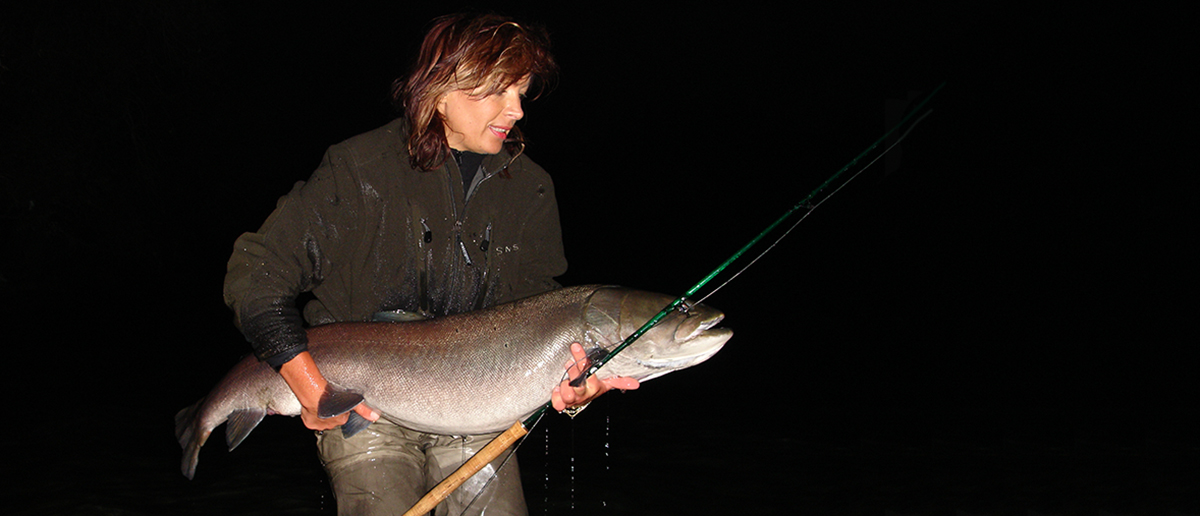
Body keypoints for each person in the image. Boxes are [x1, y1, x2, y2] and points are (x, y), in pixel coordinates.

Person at [222, 12, 637, 516]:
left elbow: (538, 319)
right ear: (438, 92)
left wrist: (576, 387)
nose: (518, 111)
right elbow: (257, 275)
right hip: (361, 409)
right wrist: (313, 389)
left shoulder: (532, 190)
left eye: (522, 94)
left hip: (479, 413)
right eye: (499, 92)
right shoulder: (359, 169)